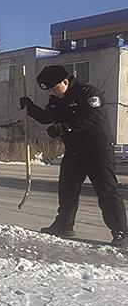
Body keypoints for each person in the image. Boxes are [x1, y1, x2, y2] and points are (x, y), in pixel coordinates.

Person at [20, 64, 127, 248]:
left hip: (97, 150)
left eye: (55, 88)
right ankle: (64, 225)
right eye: (50, 91)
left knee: (106, 191)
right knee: (67, 188)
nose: (53, 93)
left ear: (65, 81)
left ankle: (122, 233)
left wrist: (64, 128)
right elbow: (47, 117)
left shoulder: (87, 93)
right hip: (75, 151)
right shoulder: (56, 100)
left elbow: (94, 117)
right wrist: (30, 108)